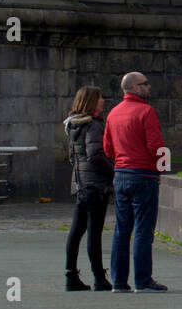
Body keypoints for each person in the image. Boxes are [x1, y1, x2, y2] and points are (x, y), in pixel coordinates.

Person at [104, 72, 167, 293]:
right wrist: (163, 166)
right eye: (145, 84)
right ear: (135, 88)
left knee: (121, 230)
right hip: (143, 174)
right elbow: (155, 145)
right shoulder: (146, 112)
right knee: (143, 230)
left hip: (121, 174)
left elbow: (108, 148)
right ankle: (143, 280)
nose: (149, 87)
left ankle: (119, 282)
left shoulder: (113, 113)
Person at [63, 86, 113, 291]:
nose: (103, 101)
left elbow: (72, 156)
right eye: (100, 98)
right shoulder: (93, 125)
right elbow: (95, 154)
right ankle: (99, 277)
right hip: (95, 185)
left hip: (81, 183)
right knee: (94, 232)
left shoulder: (74, 125)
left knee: (77, 231)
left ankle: (71, 275)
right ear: (92, 102)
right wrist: (114, 172)